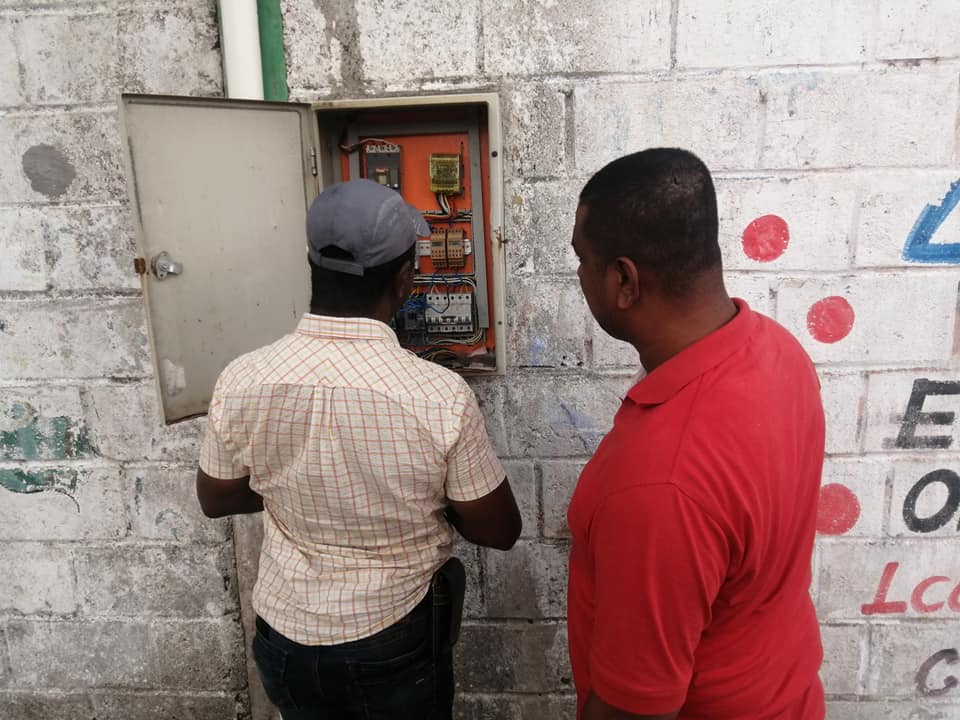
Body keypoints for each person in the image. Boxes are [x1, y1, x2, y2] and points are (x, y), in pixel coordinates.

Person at [196, 178, 521, 720]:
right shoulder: (438, 395)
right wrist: (417, 501)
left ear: (311, 263)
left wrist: (296, 486)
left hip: (285, 639)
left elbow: (216, 497)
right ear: (404, 278)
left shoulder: (242, 378)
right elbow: (499, 529)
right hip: (391, 637)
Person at [566, 149, 825, 720]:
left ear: (624, 280)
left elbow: (634, 709)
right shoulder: (777, 350)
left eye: (582, 259)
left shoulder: (658, 484)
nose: (579, 274)